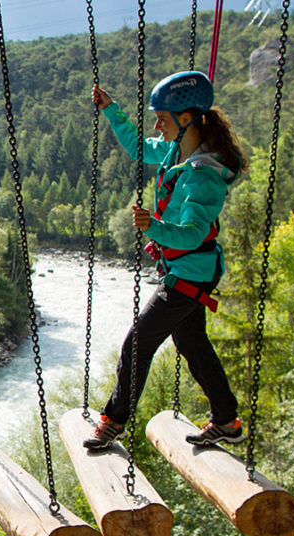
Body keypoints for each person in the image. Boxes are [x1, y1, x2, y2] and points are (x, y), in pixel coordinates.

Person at [84, 71, 247, 450]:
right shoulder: (177, 151)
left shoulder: (204, 176)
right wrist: (111, 109)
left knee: (137, 342)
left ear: (186, 118)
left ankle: (114, 420)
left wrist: (153, 227)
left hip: (190, 272)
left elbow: (191, 233)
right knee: (193, 344)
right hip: (187, 270)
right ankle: (227, 421)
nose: (157, 125)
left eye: (162, 118)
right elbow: (139, 148)